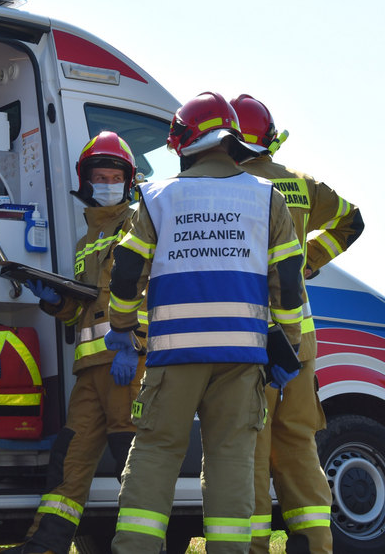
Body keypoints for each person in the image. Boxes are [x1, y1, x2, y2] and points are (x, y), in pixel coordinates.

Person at [104, 92, 306, 554]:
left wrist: (120, 324)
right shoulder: (266, 197)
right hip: (242, 358)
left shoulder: (157, 198)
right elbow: (289, 283)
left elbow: (127, 270)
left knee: (156, 451)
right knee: (232, 459)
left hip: (175, 354)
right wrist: (287, 347)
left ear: (183, 141)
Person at [0, 131, 146, 554]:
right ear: (86, 182)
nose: (108, 182)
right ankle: (45, 545)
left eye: (116, 175)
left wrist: (135, 343)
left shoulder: (139, 223)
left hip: (128, 363)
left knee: (132, 461)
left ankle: (143, 546)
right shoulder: (85, 240)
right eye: (100, 175)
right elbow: (84, 310)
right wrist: (57, 302)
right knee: (69, 461)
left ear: (129, 182)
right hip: (90, 371)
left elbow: (152, 291)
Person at [230, 94, 364, 554]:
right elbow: (353, 220)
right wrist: (311, 260)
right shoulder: (300, 184)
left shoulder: (228, 185)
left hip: (251, 336)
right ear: (269, 138)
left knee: (250, 447)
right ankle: (314, 543)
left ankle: (253, 547)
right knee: (299, 444)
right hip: (300, 337)